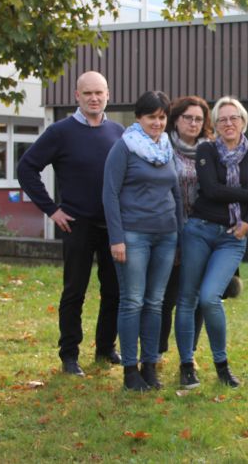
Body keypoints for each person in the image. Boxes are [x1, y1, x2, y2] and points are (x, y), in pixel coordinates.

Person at [17, 71, 123, 376]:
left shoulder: (118, 132)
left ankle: (106, 348)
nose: (94, 98)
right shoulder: (60, 132)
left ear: (108, 95)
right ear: (77, 96)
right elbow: (27, 168)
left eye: (99, 93)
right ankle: (69, 355)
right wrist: (52, 210)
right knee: (74, 291)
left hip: (113, 226)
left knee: (114, 291)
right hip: (76, 225)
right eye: (87, 93)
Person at [175, 96, 248, 389]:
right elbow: (210, 190)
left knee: (210, 297)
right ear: (216, 124)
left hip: (231, 237)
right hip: (198, 229)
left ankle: (221, 365)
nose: (228, 123)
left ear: (243, 122)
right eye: (222, 119)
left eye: (233, 118)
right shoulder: (206, 149)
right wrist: (246, 194)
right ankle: (186, 365)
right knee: (186, 298)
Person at [103, 91, 183, 391]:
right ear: (139, 117)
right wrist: (117, 238)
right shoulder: (124, 147)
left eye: (162, 117)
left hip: (166, 234)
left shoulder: (166, 148)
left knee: (155, 303)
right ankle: (130, 371)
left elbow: (175, 192)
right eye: (152, 117)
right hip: (133, 235)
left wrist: (179, 236)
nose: (158, 123)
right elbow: (109, 193)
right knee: (133, 301)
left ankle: (150, 367)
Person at [158, 96, 213, 359]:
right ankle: (157, 351)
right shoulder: (162, 147)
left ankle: (189, 351)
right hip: (168, 229)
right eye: (187, 117)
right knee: (165, 296)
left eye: (199, 119)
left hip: (201, 231)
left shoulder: (211, 150)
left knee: (196, 296)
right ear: (175, 119)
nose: (193, 123)